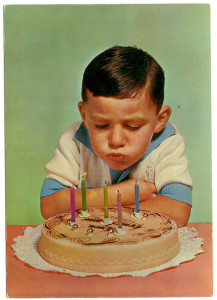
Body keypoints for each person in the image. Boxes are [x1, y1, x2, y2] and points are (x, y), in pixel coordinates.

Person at [40, 46, 192, 227]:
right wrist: (121, 194)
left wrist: (95, 206)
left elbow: (178, 211)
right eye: (101, 125)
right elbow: (49, 206)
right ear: (84, 115)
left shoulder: (167, 142)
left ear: (160, 120)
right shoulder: (74, 140)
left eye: (132, 126)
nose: (116, 140)